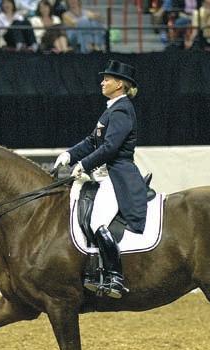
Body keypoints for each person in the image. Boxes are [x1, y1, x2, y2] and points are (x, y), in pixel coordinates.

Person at [54, 60, 145, 299]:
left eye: (107, 79)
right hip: (105, 175)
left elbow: (111, 147)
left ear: (120, 84)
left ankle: (115, 277)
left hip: (118, 176)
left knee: (97, 222)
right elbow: (91, 141)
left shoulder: (123, 109)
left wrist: (84, 164)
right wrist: (69, 155)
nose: (102, 82)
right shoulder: (111, 109)